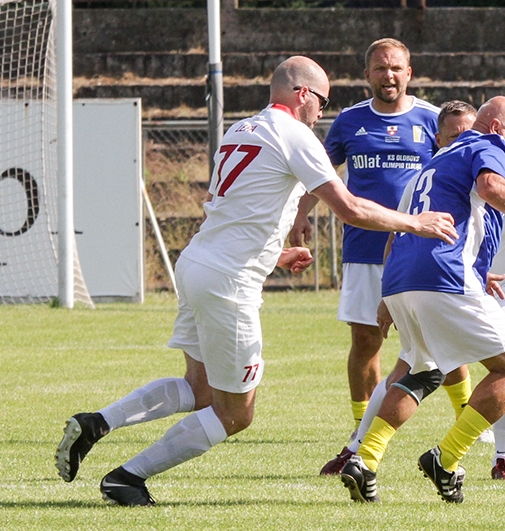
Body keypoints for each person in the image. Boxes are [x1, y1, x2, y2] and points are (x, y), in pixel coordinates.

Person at [54, 56, 458, 507]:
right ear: (302, 93)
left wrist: (275, 254)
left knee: (200, 388)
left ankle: (97, 422)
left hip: (198, 263)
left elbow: (223, 205)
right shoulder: (294, 134)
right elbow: (349, 208)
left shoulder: (241, 128)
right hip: (228, 281)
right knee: (234, 414)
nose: (322, 111)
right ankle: (127, 477)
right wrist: (414, 223)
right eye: (321, 100)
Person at [332, 100, 505, 484]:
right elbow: (490, 187)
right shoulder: (489, 146)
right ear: (499, 127)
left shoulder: (430, 166)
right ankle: (449, 458)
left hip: (404, 280)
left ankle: (365, 459)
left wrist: (388, 297)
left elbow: (396, 235)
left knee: (418, 372)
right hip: (444, 278)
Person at [290, 39, 441, 476]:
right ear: (367, 74)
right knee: (366, 342)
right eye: (379, 68)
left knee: (441, 342)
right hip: (363, 249)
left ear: (409, 72)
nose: (388, 76)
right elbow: (319, 175)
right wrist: (301, 215)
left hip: (420, 251)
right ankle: (361, 431)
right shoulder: (350, 121)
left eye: (396, 68)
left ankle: (475, 420)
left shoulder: (432, 120)